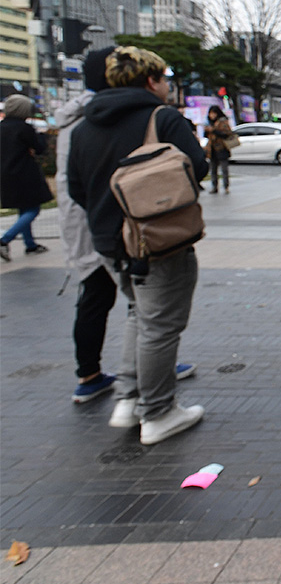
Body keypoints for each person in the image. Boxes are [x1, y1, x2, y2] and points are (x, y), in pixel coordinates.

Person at [67, 46, 208, 445]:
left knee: (138, 315)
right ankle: (158, 411)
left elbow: (76, 187)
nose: (166, 85)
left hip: (109, 244)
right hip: (158, 242)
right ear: (150, 81)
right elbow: (197, 167)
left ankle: (128, 400)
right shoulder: (162, 119)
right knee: (161, 327)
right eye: (163, 78)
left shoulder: (82, 127)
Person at [0, 93, 53, 260]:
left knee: (23, 209)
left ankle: (30, 244)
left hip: (5, 174)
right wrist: (42, 136)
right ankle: (4, 239)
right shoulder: (24, 128)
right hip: (25, 173)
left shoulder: (1, 127)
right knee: (33, 209)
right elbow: (39, 149)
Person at [204, 104, 234, 194]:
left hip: (221, 148)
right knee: (213, 169)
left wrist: (213, 130)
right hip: (212, 149)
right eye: (210, 114)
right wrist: (207, 131)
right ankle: (214, 187)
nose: (212, 116)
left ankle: (226, 187)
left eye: (214, 113)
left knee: (224, 169)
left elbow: (227, 134)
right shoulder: (209, 123)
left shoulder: (223, 122)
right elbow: (207, 136)